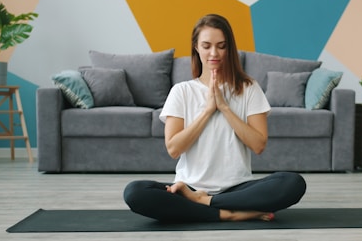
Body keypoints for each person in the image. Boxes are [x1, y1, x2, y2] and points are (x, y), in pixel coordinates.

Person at [123, 14, 306, 222]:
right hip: (188, 187)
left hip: (238, 188)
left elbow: (258, 144)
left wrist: (225, 108)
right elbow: (174, 149)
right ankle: (228, 213)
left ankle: (206, 203)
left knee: (292, 182)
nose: (214, 53)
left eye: (221, 46)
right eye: (207, 45)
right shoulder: (181, 91)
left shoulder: (249, 88)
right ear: (196, 47)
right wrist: (208, 111)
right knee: (135, 192)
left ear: (229, 48)